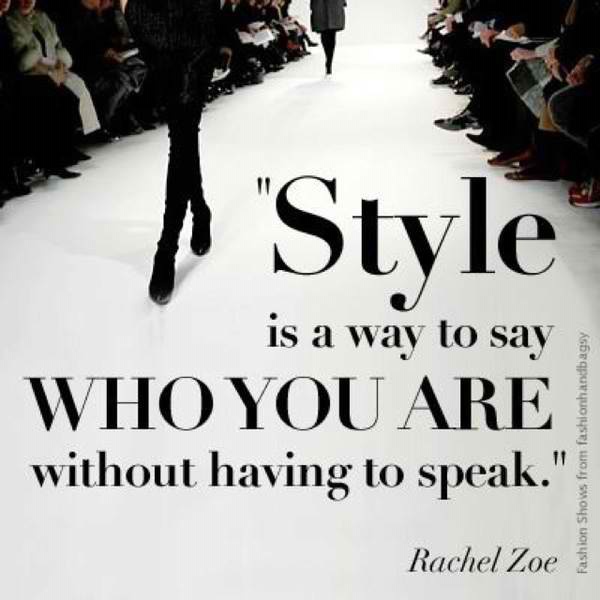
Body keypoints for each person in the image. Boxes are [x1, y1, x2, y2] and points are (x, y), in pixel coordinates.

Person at [122, 0, 219, 305]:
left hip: (197, 43)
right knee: (184, 140)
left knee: (182, 139)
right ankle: (199, 209)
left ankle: (166, 249)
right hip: (156, 44)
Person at [310, 0, 346, 75]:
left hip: (332, 5)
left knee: (331, 33)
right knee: (325, 33)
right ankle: (328, 59)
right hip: (321, 6)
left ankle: (329, 61)